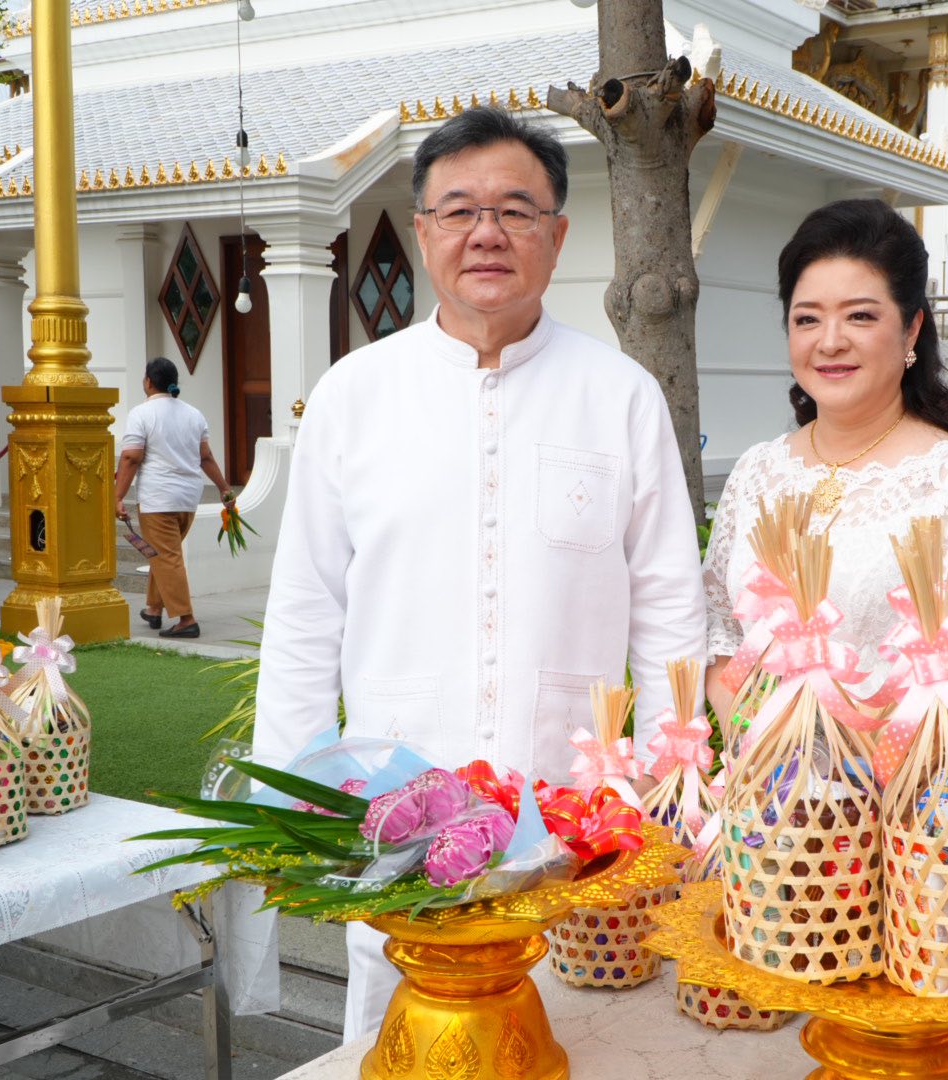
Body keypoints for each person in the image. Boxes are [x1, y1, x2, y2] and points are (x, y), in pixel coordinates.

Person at [252, 107, 706, 1042]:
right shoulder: (355, 396)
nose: (487, 233)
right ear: (422, 232)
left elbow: (668, 607)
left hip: (576, 818)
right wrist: (295, 797)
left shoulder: (619, 395)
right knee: (406, 1041)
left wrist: (661, 794)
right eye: (459, 210)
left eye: (516, 209)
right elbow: (306, 609)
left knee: (587, 1038)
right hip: (398, 808)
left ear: (558, 235)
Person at [703, 198, 948, 748]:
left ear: (912, 328)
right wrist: (766, 763)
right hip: (767, 813)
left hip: (910, 813)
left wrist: (862, 786)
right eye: (807, 318)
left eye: (860, 315)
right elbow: (722, 637)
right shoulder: (756, 472)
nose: (829, 341)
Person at [111, 357, 234, 639]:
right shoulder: (194, 414)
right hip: (189, 497)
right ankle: (154, 609)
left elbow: (131, 457)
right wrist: (225, 488)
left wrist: (118, 497)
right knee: (164, 553)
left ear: (148, 382)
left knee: (166, 556)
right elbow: (206, 457)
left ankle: (186, 619)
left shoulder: (142, 413)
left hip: (158, 498)